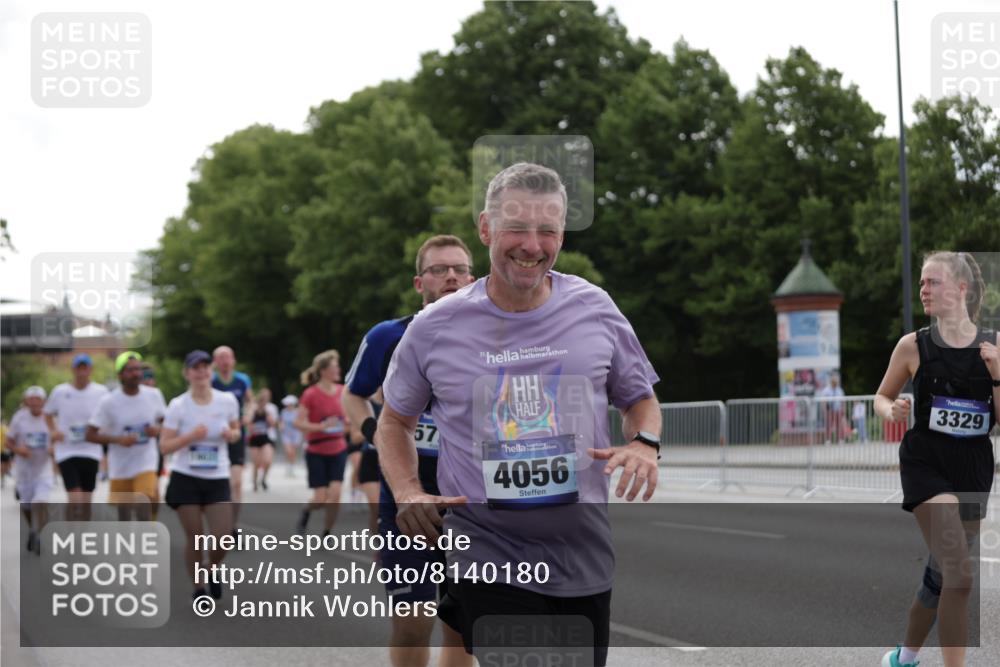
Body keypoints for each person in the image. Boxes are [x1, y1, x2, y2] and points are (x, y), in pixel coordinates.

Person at [379, 163, 662, 666]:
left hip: (584, 556)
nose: (532, 245)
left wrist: (644, 445)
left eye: (547, 230)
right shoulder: (434, 326)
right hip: (486, 553)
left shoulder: (595, 308)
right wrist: (407, 490)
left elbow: (638, 399)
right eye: (517, 228)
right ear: (486, 229)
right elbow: (393, 421)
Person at [342, 233, 476, 667]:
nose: (451, 276)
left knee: (462, 626)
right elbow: (353, 394)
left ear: (473, 278)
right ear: (420, 283)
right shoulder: (388, 336)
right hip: (406, 501)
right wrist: (376, 433)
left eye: (459, 269)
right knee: (415, 619)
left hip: (473, 504)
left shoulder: (497, 338)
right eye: (439, 269)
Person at [875, 251, 997, 667]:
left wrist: (996, 374)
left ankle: (905, 657)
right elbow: (882, 395)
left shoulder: (994, 347)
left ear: (961, 288)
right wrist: (889, 411)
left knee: (941, 575)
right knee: (960, 575)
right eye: (922, 282)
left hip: (974, 467)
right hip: (926, 464)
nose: (924, 289)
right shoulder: (913, 345)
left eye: (934, 282)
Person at [160, 350, 241, 600]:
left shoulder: (227, 400)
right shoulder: (178, 405)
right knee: (195, 538)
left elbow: (237, 430)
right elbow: (164, 446)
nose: (201, 372)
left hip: (217, 476)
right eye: (196, 368)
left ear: (211, 371)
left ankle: (211, 568)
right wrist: (190, 436)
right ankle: (198, 588)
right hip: (186, 477)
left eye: (205, 367)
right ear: (187, 373)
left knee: (223, 538)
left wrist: (232, 435)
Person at [86, 351, 166, 521]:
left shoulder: (153, 395)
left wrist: (157, 429)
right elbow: (90, 434)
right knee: (125, 513)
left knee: (143, 500)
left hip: (146, 460)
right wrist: (118, 440)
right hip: (120, 465)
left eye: (138, 369)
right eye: (130, 370)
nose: (136, 373)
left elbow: (165, 422)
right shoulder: (109, 402)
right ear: (120, 374)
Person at [44, 354, 109, 520]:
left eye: (85, 367)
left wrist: (103, 430)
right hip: (67, 450)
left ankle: (82, 535)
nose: (81, 371)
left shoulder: (101, 391)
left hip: (91, 450)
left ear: (90, 370)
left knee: (86, 502)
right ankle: (71, 534)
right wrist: (53, 431)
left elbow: (109, 414)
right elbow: (47, 414)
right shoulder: (60, 391)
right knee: (75, 498)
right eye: (78, 368)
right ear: (73, 369)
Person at [294, 350, 350, 536]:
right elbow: (298, 422)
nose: (338, 369)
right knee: (320, 498)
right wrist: (321, 427)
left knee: (335, 495)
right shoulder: (310, 393)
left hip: (338, 448)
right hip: (316, 449)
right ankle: (306, 510)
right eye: (335, 366)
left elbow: (349, 418)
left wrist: (350, 424)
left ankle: (327, 532)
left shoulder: (343, 391)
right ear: (324, 370)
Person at [8, 386, 55, 553]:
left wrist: (53, 449)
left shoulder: (49, 418)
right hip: (24, 470)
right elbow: (9, 441)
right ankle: (32, 530)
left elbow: (57, 438)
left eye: (38, 398)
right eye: (32, 398)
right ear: (26, 401)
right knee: (27, 505)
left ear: (44, 401)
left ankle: (41, 534)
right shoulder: (19, 418)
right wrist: (18, 450)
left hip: (44, 468)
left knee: (41, 501)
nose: (35, 402)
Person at [211, 346, 252, 529]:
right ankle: (218, 522)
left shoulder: (242, 380)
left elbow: (250, 400)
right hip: (215, 439)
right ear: (215, 362)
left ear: (234, 360)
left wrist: (248, 415)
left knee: (236, 482)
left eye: (228, 357)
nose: (225, 361)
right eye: (221, 358)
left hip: (236, 436)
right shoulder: (210, 380)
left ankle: (233, 526)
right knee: (220, 483)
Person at [244, 387, 277, 491]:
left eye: (266, 398)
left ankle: (263, 479)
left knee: (267, 460)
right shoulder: (253, 408)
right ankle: (254, 482)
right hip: (254, 438)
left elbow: (273, 424)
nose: (264, 400)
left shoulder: (271, 408)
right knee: (256, 463)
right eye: (262, 398)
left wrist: (266, 413)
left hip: (266, 437)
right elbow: (247, 421)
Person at [818, 373, 848, 443]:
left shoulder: (839, 390)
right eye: (834, 380)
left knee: (839, 425)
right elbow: (823, 401)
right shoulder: (826, 390)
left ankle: (840, 439)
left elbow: (843, 401)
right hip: (829, 410)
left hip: (838, 410)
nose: (835, 382)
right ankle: (828, 440)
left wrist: (843, 409)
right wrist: (824, 410)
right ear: (831, 381)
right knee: (828, 425)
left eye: (836, 381)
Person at [279, 395, 302, 477]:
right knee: (288, 451)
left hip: (295, 434)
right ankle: (288, 466)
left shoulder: (297, 412)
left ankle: (291, 467)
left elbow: (300, 422)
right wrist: (281, 426)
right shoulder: (283, 412)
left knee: (293, 452)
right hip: (286, 434)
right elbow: (281, 421)